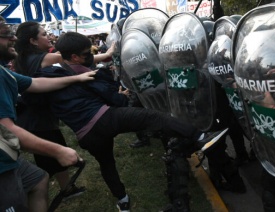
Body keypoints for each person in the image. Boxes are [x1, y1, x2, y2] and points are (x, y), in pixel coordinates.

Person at [31, 31, 225, 212]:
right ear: (75, 57)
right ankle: (199, 136)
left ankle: (122, 201)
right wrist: (121, 93)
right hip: (103, 118)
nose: (90, 56)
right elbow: (117, 100)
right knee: (152, 116)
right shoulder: (90, 75)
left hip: (85, 135)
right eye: (86, 53)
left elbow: (33, 89)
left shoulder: (52, 75)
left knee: (107, 164)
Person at [0, 16, 96, 211]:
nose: (14, 39)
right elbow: (5, 128)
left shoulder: (4, 72)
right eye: (6, 34)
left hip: (10, 154)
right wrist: (58, 150)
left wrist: (76, 78)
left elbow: (35, 84)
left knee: (38, 179)